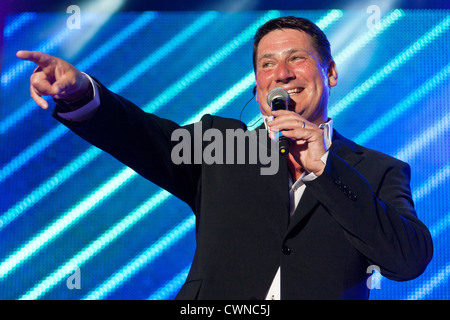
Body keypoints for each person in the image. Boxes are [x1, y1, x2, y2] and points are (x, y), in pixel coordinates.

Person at [17, 16, 433, 300]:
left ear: (331, 73)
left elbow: (408, 260)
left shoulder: (377, 170)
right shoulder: (221, 145)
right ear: (257, 87)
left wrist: (327, 168)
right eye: (267, 64)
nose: (282, 73)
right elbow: (142, 136)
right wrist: (81, 93)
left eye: (297, 58)